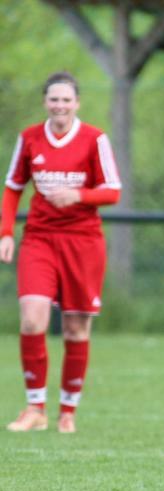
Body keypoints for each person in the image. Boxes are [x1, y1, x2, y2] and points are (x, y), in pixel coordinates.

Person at [2, 71, 121, 434]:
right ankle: (35, 407)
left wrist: (79, 195)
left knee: (75, 328)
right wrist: (6, 232)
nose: (60, 105)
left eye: (66, 100)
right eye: (54, 99)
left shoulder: (94, 139)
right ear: (45, 102)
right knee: (31, 319)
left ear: (77, 103)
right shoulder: (30, 138)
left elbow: (113, 191)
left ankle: (67, 411)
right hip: (39, 239)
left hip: (83, 242)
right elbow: (13, 188)